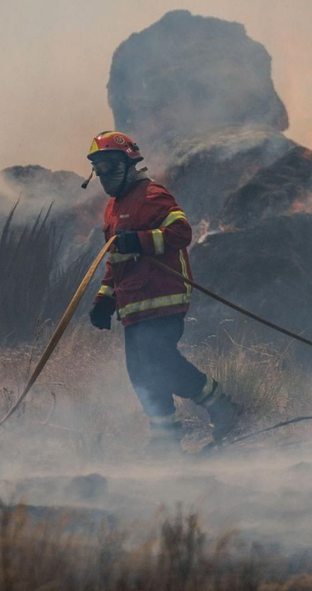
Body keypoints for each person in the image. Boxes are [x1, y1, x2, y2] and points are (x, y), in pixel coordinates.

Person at [85, 130, 241, 450]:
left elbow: (181, 232)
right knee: (140, 373)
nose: (103, 174)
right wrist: (104, 300)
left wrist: (140, 240)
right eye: (97, 168)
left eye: (109, 165)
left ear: (128, 163)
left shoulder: (152, 195)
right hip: (132, 305)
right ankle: (165, 438)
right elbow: (116, 261)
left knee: (160, 364)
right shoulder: (112, 210)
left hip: (162, 296)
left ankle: (221, 406)